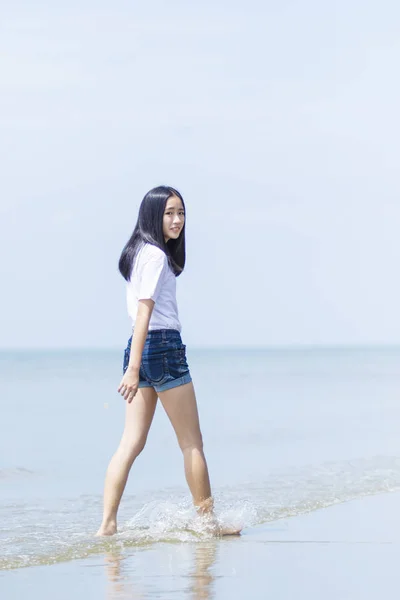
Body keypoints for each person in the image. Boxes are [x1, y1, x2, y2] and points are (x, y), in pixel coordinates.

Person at [96, 186, 239, 537]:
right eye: (169, 213)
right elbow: (146, 310)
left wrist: (134, 361)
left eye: (181, 213)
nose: (177, 220)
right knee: (192, 442)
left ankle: (107, 525)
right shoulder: (157, 256)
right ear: (153, 215)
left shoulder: (137, 252)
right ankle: (207, 523)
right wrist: (133, 370)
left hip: (139, 347)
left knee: (130, 443)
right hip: (161, 347)